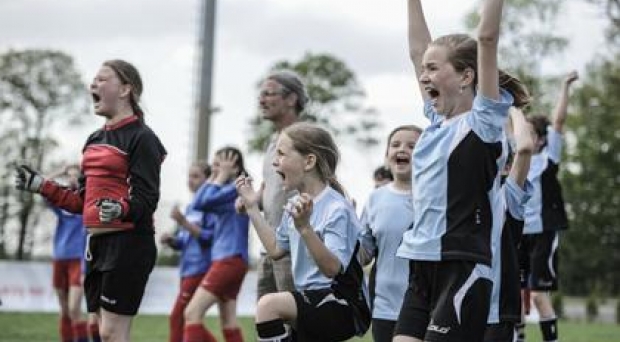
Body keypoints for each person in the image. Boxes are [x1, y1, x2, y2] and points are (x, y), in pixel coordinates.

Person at [394, 1, 530, 341]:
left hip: (463, 264)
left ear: (467, 76)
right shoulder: (436, 122)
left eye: (433, 68)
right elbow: (415, 50)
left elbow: (486, 38)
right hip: (420, 262)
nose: (423, 75)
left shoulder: (483, 123)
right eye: (423, 69)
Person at [15, 59, 167, 342]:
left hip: (130, 244)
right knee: (96, 330)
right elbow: (80, 203)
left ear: (125, 89)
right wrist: (43, 186)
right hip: (95, 245)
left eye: (101, 79)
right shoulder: (94, 139)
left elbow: (147, 199)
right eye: (93, 80)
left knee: (111, 333)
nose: (92, 85)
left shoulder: (142, 137)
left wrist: (120, 208)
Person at [236, 122, 370, 342]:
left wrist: (305, 228)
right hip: (313, 299)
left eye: (281, 153)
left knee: (269, 306)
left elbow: (332, 269)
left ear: (309, 161)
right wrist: (252, 207)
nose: (274, 161)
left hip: (344, 303)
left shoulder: (336, 208)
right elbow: (276, 250)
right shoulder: (296, 205)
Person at [518, 70, 578, 342]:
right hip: (517, 234)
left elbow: (559, 120)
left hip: (542, 233)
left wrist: (564, 86)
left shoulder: (548, 158)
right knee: (514, 295)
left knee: (540, 295)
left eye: (529, 133)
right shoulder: (517, 161)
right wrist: (514, 107)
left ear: (540, 140)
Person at [240, 70, 308, 302]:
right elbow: (271, 187)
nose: (261, 100)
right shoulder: (273, 142)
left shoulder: (304, 139)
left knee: (295, 326)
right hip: (268, 246)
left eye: (269, 94)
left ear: (291, 99)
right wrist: (250, 199)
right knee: (268, 325)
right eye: (261, 94)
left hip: (294, 248)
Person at [358, 125, 422, 342]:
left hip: (428, 305)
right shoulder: (375, 199)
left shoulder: (438, 198)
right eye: (395, 145)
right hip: (384, 307)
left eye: (412, 146)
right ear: (387, 157)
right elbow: (363, 255)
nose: (402, 149)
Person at [183, 147, 249, 342]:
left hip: (228, 260)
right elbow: (199, 201)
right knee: (228, 322)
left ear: (235, 168)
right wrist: (216, 176)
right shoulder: (228, 190)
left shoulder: (236, 188)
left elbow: (200, 203)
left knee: (191, 314)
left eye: (219, 164)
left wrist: (220, 177)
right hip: (232, 260)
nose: (215, 169)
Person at [484, 107, 535, 342]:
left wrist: (511, 110)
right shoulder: (462, 195)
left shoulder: (507, 198)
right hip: (456, 303)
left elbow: (524, 149)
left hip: (495, 310)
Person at [160, 161, 215, 342]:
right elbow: (184, 241)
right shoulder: (191, 208)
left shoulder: (210, 206)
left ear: (208, 179)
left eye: (196, 176)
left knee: (177, 317)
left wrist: (183, 222)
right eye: (189, 176)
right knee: (190, 318)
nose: (190, 181)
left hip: (201, 269)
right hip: (186, 269)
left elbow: (209, 238)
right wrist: (171, 241)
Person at [46, 164, 90, 342]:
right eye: (69, 176)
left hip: (77, 262)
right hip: (59, 259)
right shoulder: (62, 202)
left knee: (74, 308)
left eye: (75, 176)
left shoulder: (86, 202)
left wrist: (78, 180)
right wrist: (60, 171)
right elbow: (43, 187)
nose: (71, 179)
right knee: (64, 310)